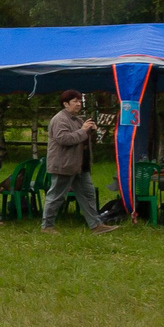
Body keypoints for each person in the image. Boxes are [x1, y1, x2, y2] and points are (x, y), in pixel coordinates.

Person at [41, 92, 116, 234]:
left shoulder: (77, 119)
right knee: (56, 197)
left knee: (88, 195)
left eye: (79, 101)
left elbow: (82, 138)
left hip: (80, 166)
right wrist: (83, 130)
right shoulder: (60, 119)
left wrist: (90, 131)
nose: (78, 104)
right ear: (65, 104)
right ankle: (47, 226)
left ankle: (96, 225)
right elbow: (64, 139)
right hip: (64, 165)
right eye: (75, 101)